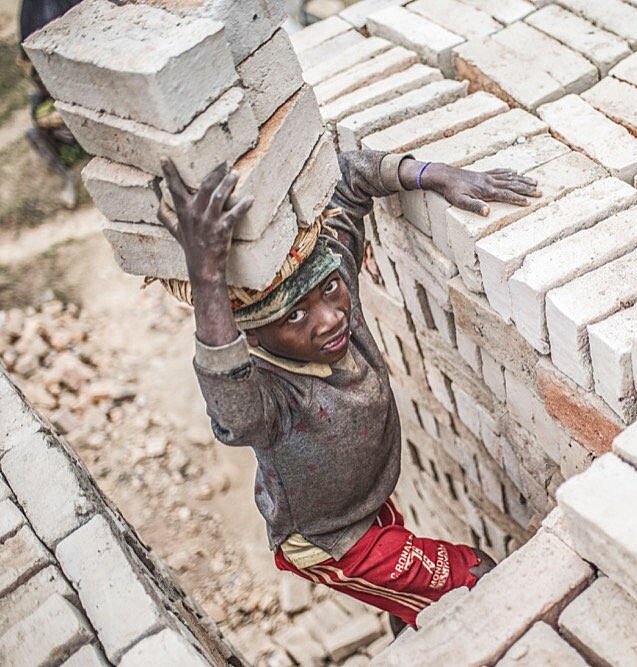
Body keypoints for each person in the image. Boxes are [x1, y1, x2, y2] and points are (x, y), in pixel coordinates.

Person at [158, 150, 540, 631]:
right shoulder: (270, 397)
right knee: (475, 573)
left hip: (367, 505)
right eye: (295, 316)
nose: (330, 318)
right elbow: (229, 405)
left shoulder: (330, 281)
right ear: (253, 338)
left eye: (332, 292)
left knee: (417, 604)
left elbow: (346, 182)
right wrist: (208, 277)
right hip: (332, 540)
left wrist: (434, 175)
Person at [18, 0, 87, 208]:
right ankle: (69, 178)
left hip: (89, 80)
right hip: (62, 96)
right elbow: (32, 67)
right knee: (38, 125)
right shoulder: (33, 10)